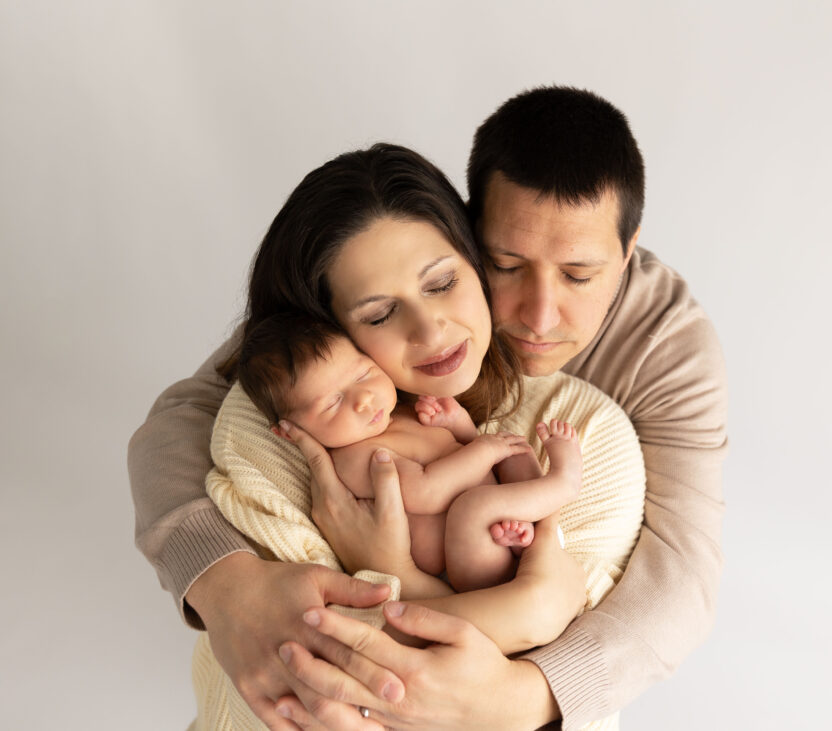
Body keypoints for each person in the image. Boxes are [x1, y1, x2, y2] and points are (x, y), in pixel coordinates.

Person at [128, 86, 727, 730]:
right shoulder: (392, 268)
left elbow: (683, 571)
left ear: (628, 248)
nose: (539, 315)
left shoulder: (666, 343)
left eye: (579, 275)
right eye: (504, 264)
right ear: (470, 230)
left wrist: (530, 695)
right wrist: (227, 588)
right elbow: (183, 416)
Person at [233, 311, 582, 591]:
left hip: (501, 517)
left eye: (364, 374)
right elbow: (426, 491)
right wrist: (483, 451)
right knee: (475, 500)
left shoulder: (395, 411)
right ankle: (562, 484)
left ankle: (528, 528)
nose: (364, 399)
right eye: (333, 402)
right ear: (290, 431)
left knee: (511, 448)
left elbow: (460, 448)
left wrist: (459, 424)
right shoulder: (354, 457)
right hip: (467, 560)